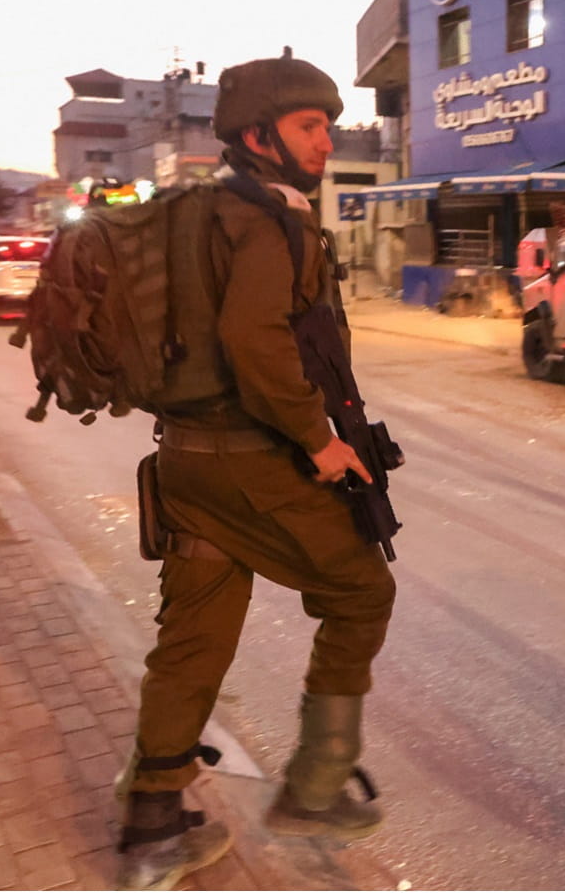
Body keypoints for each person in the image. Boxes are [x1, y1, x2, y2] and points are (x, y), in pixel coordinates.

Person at [117, 53, 397, 889]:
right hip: (250, 460)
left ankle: (152, 820)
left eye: (328, 125)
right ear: (258, 135)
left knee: (195, 636)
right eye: (310, 126)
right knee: (361, 591)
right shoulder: (272, 221)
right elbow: (254, 338)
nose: (327, 140)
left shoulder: (193, 213)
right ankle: (315, 788)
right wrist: (319, 441)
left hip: (183, 459)